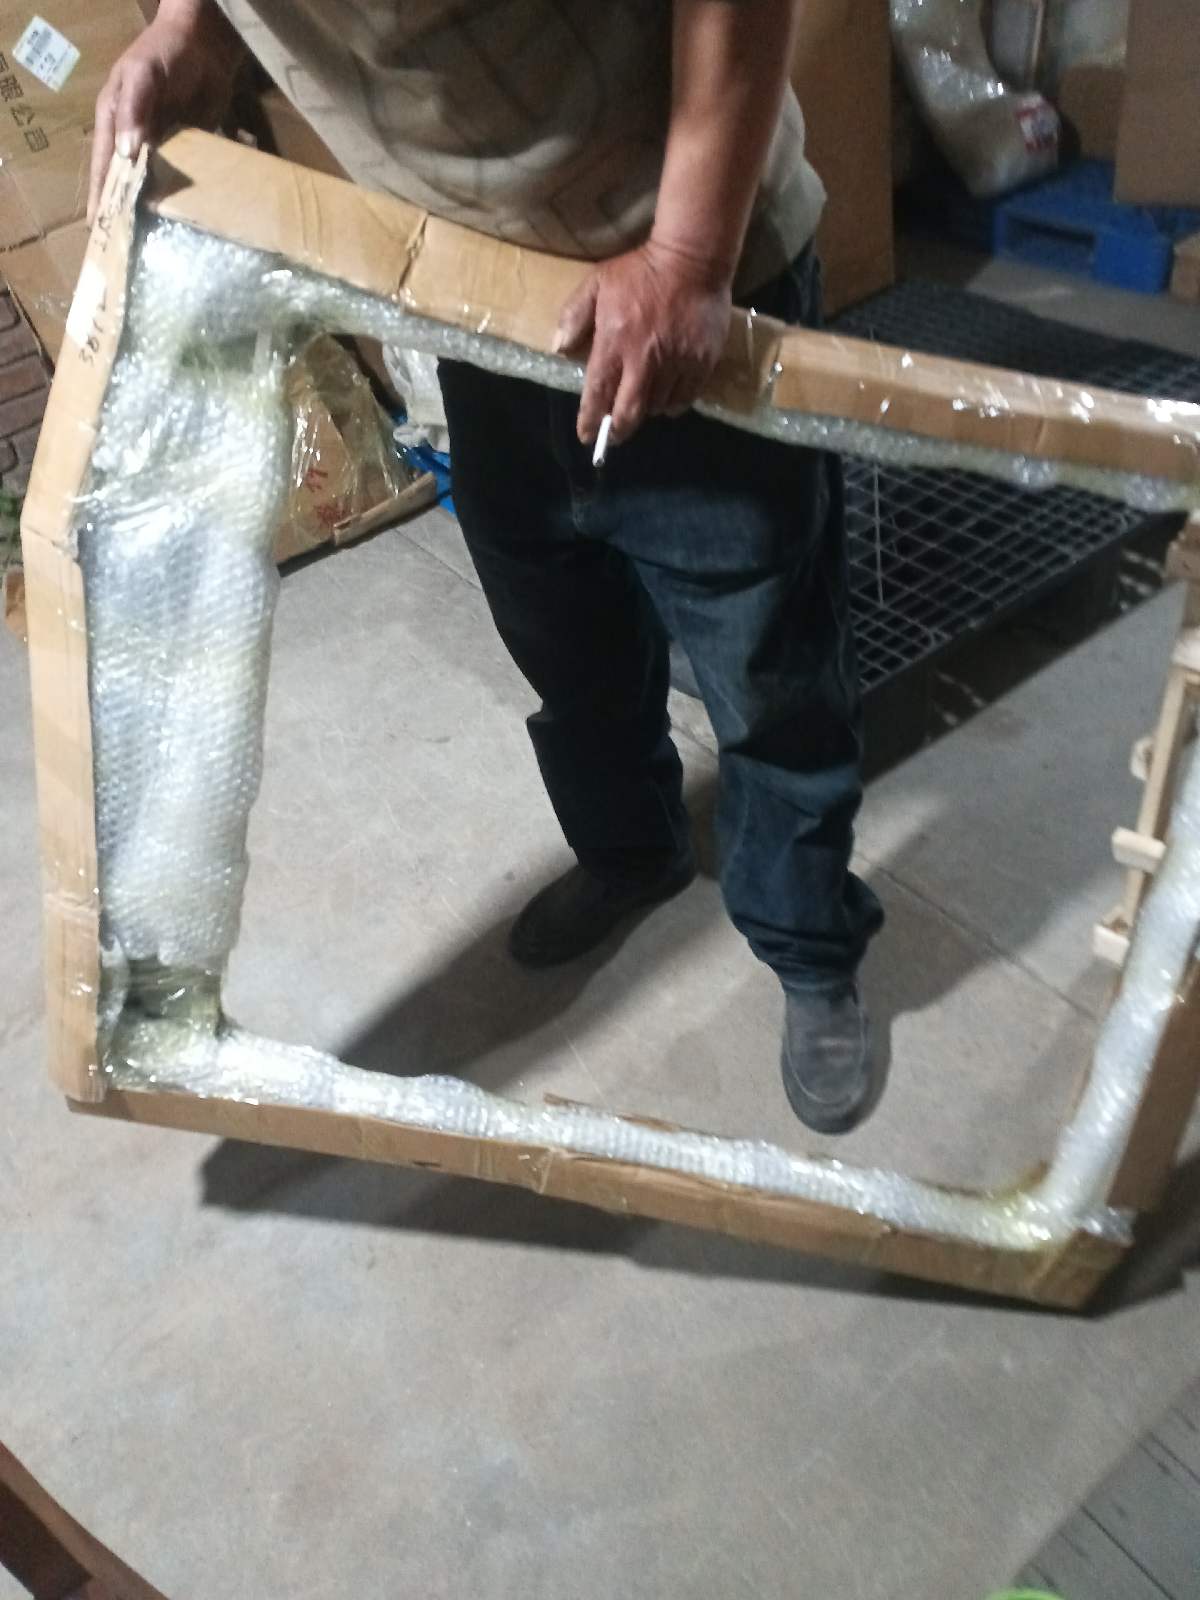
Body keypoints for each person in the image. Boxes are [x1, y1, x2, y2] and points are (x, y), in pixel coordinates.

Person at [90, 0, 885, 1134]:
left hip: (682, 261)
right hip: (483, 297)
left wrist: (688, 257)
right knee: (562, 627)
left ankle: (810, 944)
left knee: (765, 668)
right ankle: (633, 850)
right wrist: (188, 28)